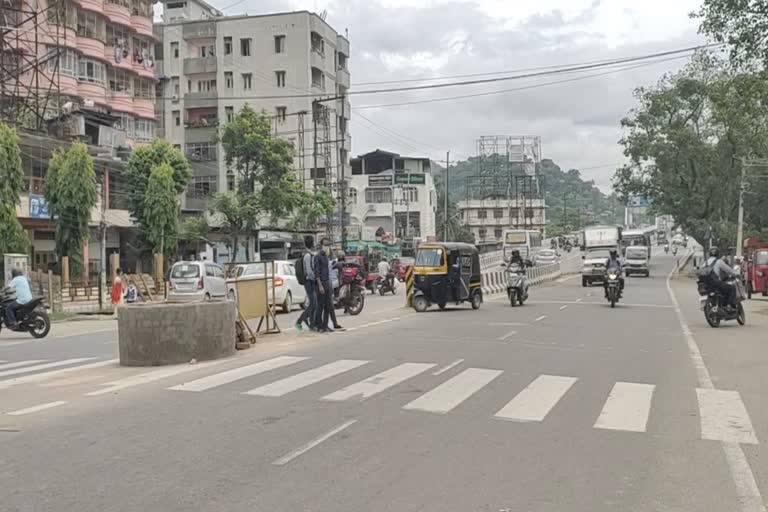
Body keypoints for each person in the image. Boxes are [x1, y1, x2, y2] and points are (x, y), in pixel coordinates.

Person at [295, 236, 316, 332]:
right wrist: (316, 278)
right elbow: (309, 271)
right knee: (312, 304)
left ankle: (311, 324)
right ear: (312, 243)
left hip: (310, 281)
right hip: (309, 282)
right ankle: (299, 321)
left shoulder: (309, 254)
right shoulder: (308, 256)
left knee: (313, 304)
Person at [313, 238, 332, 333]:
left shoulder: (326, 257)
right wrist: (320, 286)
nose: (327, 246)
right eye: (325, 244)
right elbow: (317, 273)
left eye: (328, 244)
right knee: (320, 305)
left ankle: (325, 325)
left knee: (328, 306)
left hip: (327, 282)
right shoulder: (318, 257)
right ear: (321, 245)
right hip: (321, 283)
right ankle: (319, 326)